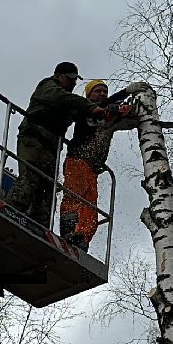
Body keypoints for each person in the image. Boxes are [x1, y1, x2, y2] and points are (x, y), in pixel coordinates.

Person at [8, 62, 113, 232]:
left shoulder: (69, 101)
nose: (73, 83)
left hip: (51, 148)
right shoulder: (48, 87)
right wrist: (90, 107)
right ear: (58, 76)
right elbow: (66, 100)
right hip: (34, 139)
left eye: (74, 80)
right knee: (30, 178)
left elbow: (81, 114)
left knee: (47, 191)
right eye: (70, 79)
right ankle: (10, 209)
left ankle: (38, 226)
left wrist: (107, 109)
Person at [59, 79, 135, 248]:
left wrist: (133, 111)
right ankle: (69, 232)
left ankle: (82, 238)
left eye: (104, 92)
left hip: (92, 169)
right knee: (74, 198)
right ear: (89, 94)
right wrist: (124, 93)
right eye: (97, 91)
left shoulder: (107, 115)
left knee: (90, 207)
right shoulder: (85, 109)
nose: (102, 94)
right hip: (77, 161)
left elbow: (115, 118)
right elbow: (105, 110)